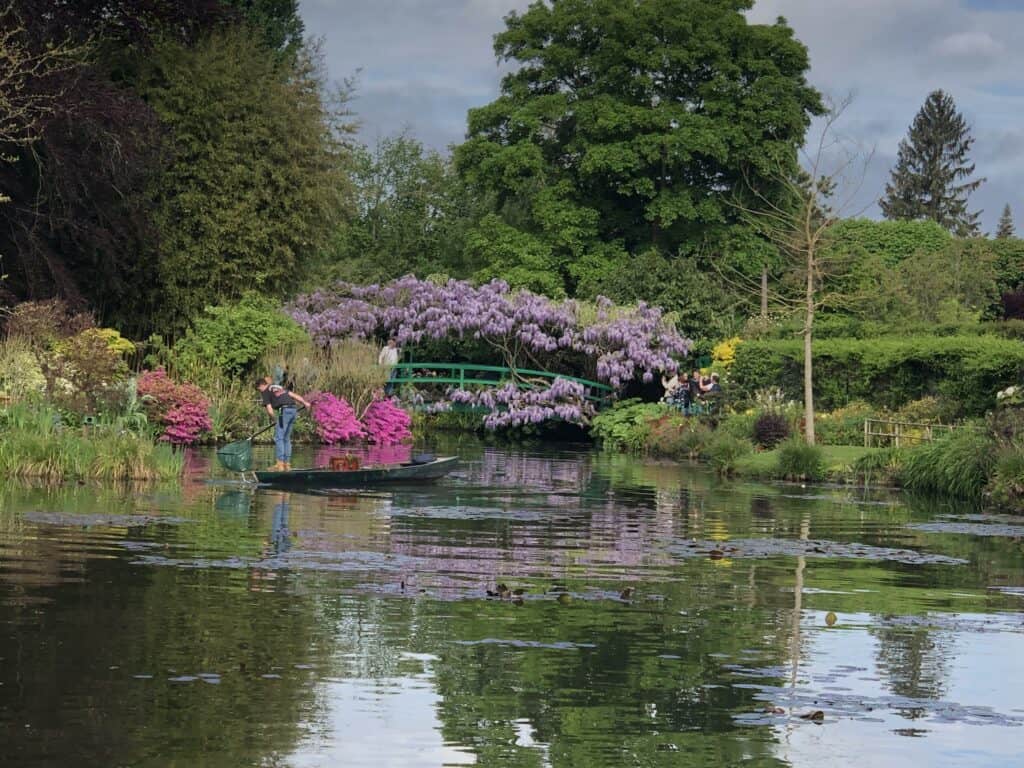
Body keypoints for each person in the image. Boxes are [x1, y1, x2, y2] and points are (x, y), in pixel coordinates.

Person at [256, 379, 311, 472]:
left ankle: (279, 464)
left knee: (279, 438)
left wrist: (274, 419)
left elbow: (269, 409)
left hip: (284, 411)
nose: (259, 391)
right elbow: (293, 395)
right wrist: (305, 403)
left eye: (258, 389)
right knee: (286, 438)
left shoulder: (265, 392)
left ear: (261, 386)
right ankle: (287, 464)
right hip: (293, 410)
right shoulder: (278, 387)